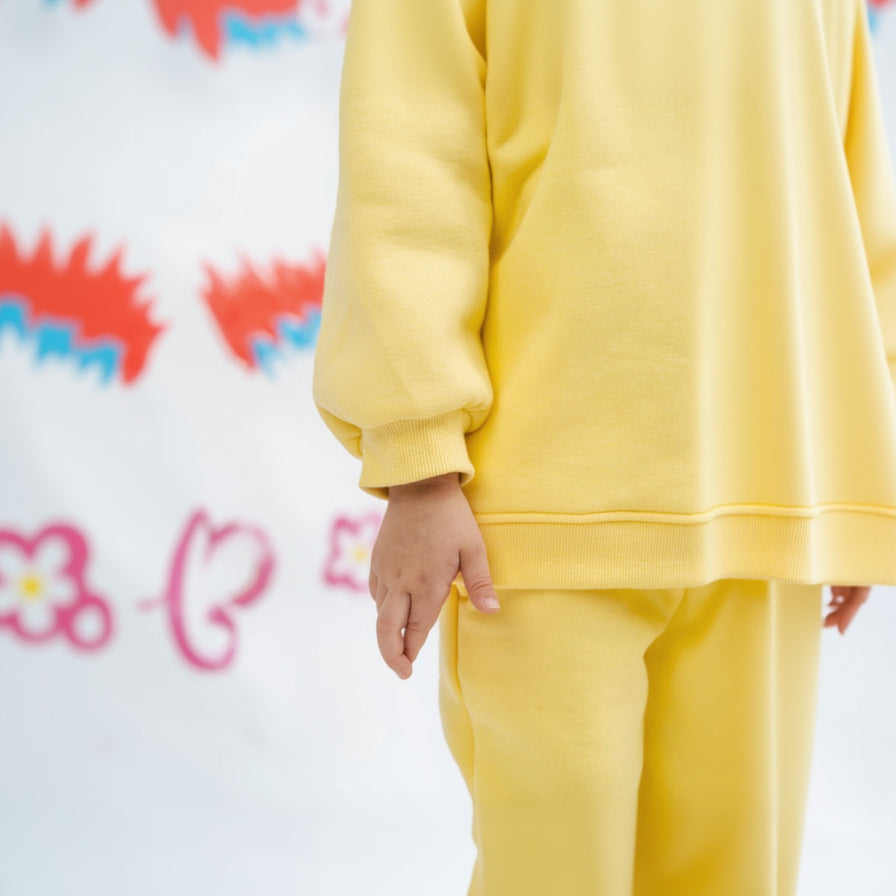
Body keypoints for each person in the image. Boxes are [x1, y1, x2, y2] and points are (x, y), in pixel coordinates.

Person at [312, 1, 896, 893]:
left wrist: (859, 454)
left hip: (769, 486)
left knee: (737, 867)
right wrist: (420, 464)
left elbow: (843, 171)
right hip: (536, 514)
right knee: (553, 869)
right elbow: (408, 163)